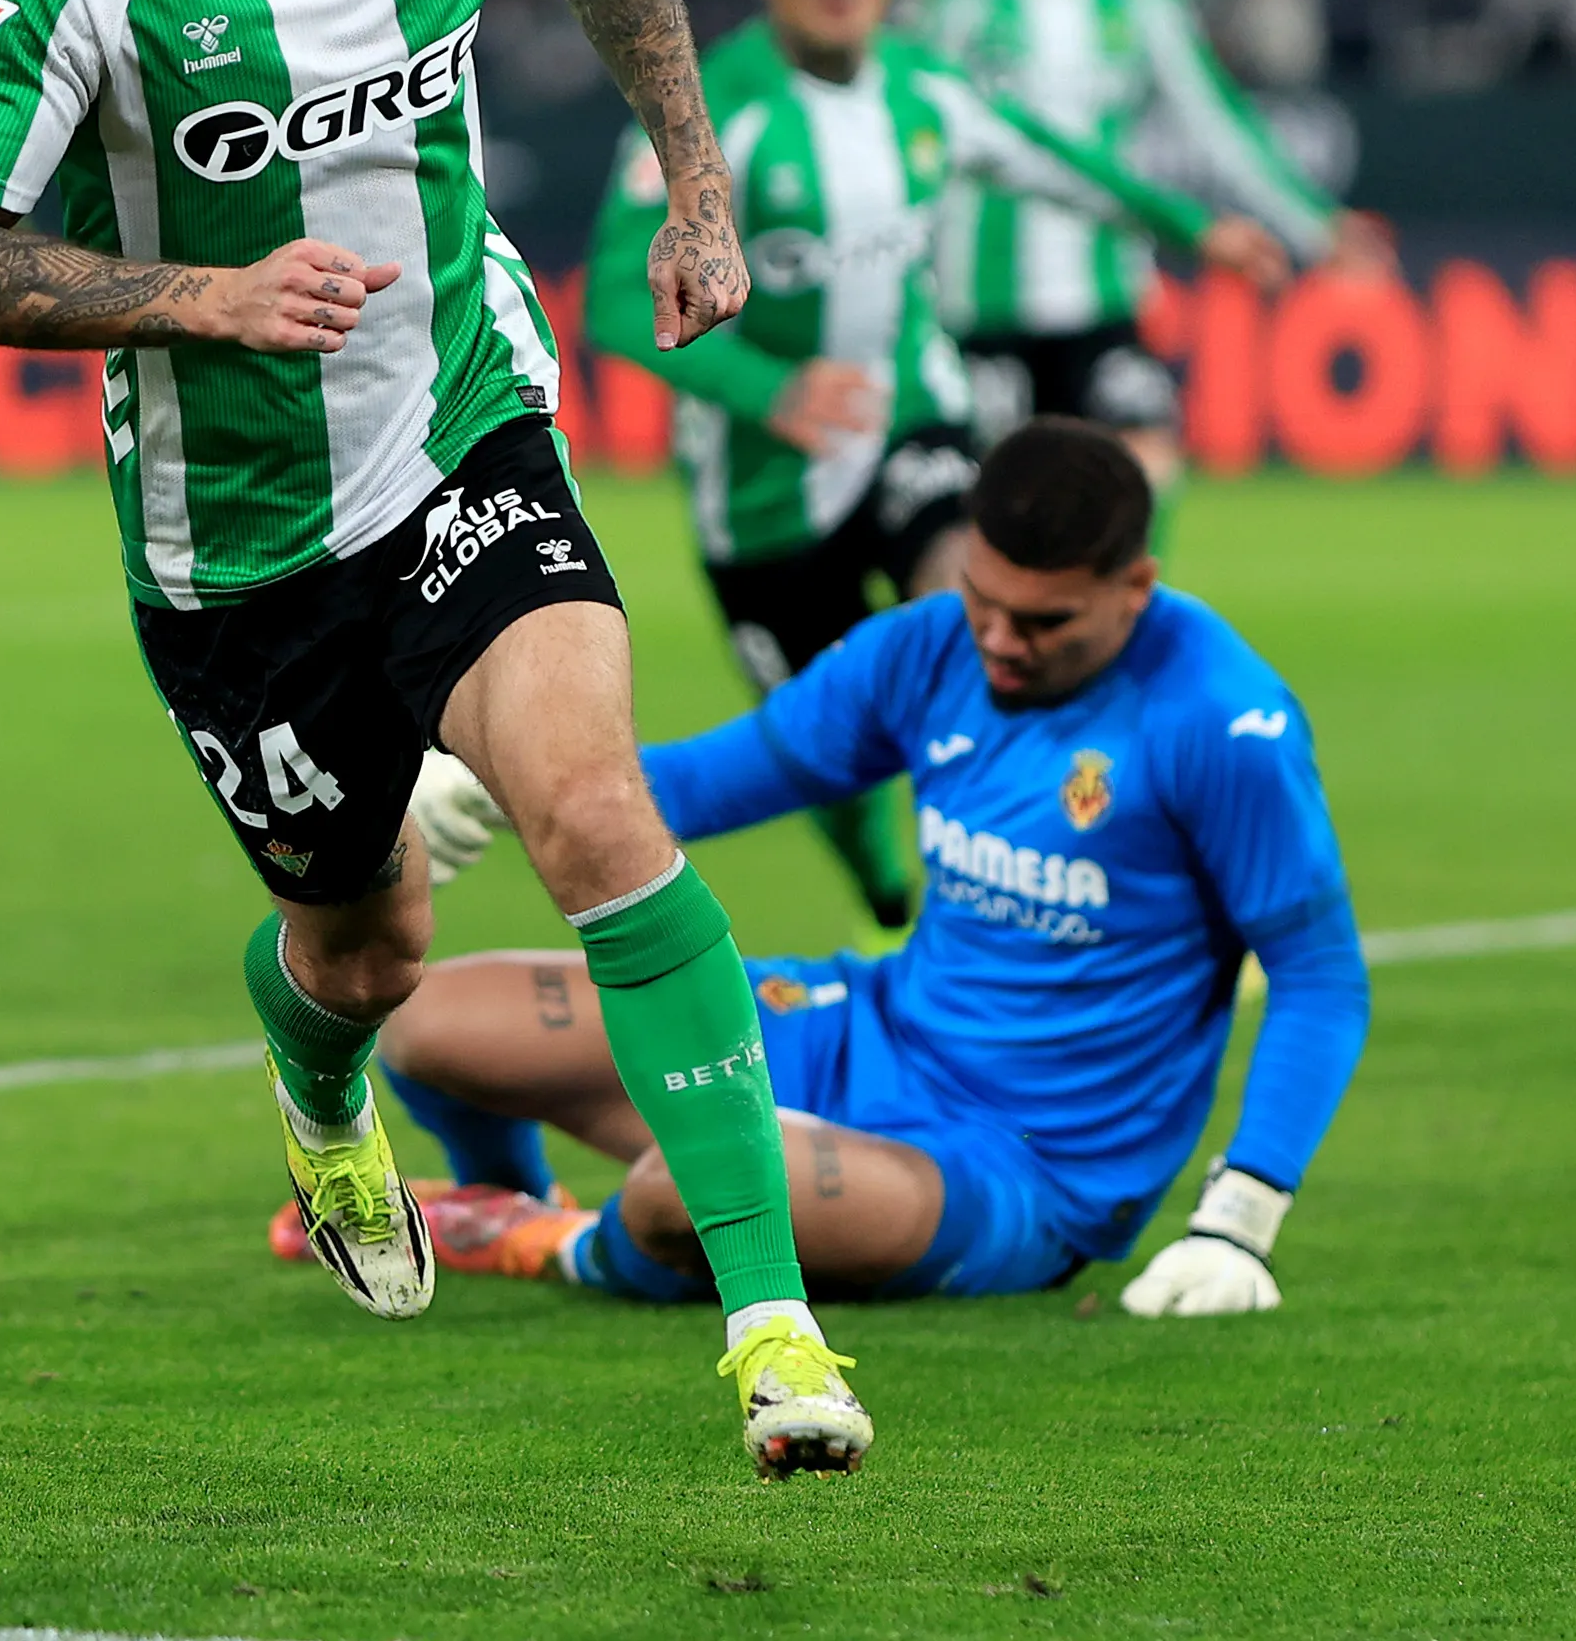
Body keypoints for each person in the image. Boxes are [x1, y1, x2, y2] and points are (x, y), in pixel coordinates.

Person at [0, 0, 867, 1476]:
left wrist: (695, 185)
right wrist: (200, 297)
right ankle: (324, 1095)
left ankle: (774, 1328)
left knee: (595, 809)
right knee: (364, 948)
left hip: (458, 420)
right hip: (236, 539)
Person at [378, 420, 1367, 1317]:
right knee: (426, 1024)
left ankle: (544, 1243)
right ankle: (505, 1189)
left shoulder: (1222, 721)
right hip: (867, 1030)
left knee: (678, 1196)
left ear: (1136, 587)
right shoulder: (932, 645)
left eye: (1043, 622)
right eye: (982, 600)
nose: (998, 642)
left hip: (1021, 1166)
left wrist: (1239, 1217)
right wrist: (494, 782)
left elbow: (1319, 974)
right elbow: (715, 780)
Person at [580, 0, 1288, 927]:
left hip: (914, 418)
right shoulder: (705, 111)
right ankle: (880, 868)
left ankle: (1040, 877)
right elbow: (611, 300)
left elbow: (1065, 162)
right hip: (764, 493)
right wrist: (769, 388)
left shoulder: (925, 86)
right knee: (826, 755)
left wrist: (1198, 229)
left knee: (975, 607)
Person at [905, 0, 1394, 488]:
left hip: (1104, 290)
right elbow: (906, 140)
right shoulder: (950, 3)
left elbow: (1220, 122)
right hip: (980, 300)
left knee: (1143, 473)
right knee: (998, 502)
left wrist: (1315, 225)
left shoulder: (1139, 1)